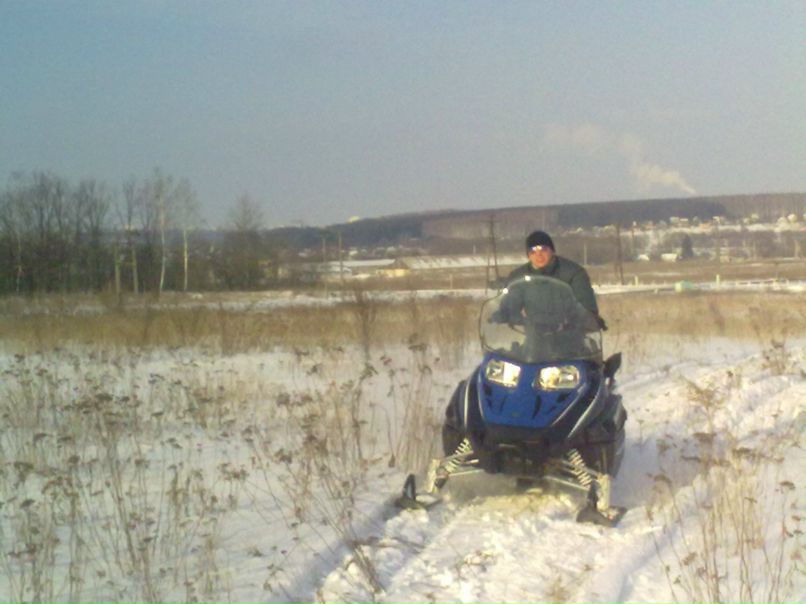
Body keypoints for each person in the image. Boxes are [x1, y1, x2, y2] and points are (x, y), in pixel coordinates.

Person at [504, 230, 606, 329]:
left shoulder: (574, 273)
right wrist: (503, 313)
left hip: (571, 336)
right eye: (533, 251)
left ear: (552, 250)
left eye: (543, 249)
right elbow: (511, 303)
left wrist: (587, 318)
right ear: (528, 255)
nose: (538, 254)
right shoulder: (519, 276)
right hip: (534, 337)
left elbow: (586, 306)